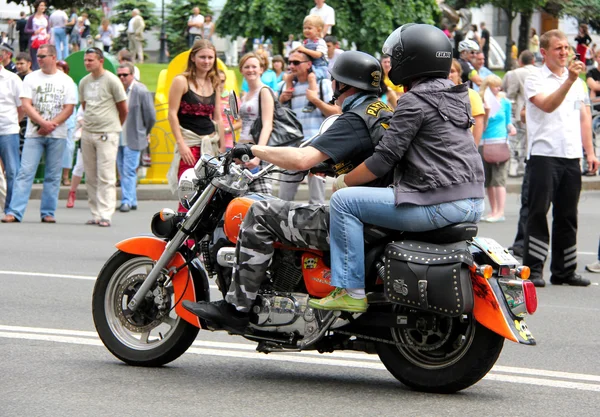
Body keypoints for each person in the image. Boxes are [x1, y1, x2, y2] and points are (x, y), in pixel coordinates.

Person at [181, 51, 394, 330]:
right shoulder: (381, 112)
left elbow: (302, 158)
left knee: (259, 213)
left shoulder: (352, 120)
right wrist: (329, 168)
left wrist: (252, 149)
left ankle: (237, 307)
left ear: (344, 84)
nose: (331, 83)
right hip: (382, 210)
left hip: (357, 220)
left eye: (334, 79)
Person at [309, 24, 484, 312]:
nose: (391, 62)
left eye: (396, 56)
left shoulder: (414, 100)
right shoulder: (456, 95)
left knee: (344, 202)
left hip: (440, 202)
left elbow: (382, 160)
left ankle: (350, 291)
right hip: (473, 201)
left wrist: (343, 180)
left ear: (412, 60)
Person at [522, 29, 599, 287]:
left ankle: (564, 271)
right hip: (544, 154)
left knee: (568, 215)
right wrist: (569, 81)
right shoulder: (535, 77)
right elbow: (547, 105)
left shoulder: (577, 82)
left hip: (570, 155)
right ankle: (533, 270)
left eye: (566, 48)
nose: (565, 52)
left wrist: (590, 152)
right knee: (537, 213)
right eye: (558, 48)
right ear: (544, 52)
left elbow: (584, 117)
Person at [1, 44, 75, 224]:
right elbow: (26, 104)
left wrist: (52, 124)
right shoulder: (31, 78)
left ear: (53, 57)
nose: (39, 59)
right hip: (34, 134)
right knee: (24, 173)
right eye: (38, 56)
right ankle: (14, 212)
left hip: (57, 134)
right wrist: (42, 123)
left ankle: (48, 212)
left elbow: (69, 108)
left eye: (43, 56)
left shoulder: (66, 81)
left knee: (53, 174)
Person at [167, 40, 225, 211]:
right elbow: (171, 114)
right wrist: (181, 144)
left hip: (209, 145)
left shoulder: (214, 82)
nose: (206, 61)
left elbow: (218, 117)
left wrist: (222, 146)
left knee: (208, 197)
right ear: (193, 57)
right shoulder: (181, 81)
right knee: (188, 194)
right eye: (202, 57)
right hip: (190, 143)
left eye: (210, 57)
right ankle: (185, 237)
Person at [278, 49, 338, 204]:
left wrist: (315, 100)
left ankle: (317, 228)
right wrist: (280, 101)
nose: (291, 65)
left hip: (316, 147)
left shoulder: (322, 84)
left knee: (317, 200)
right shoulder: (283, 87)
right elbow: (275, 116)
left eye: (296, 62)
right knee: (284, 198)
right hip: (292, 146)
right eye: (289, 62)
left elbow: (336, 113)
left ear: (309, 64)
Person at [78, 47, 128, 227]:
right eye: (85, 60)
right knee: (90, 175)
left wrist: (114, 126)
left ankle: (106, 213)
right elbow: (84, 106)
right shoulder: (84, 82)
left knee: (106, 175)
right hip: (88, 132)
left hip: (107, 133)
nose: (87, 63)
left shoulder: (112, 80)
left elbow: (123, 109)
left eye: (90, 60)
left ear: (101, 61)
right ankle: (95, 213)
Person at [116, 62, 156, 213]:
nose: (122, 78)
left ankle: (126, 200)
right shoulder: (117, 89)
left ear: (132, 75)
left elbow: (151, 116)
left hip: (133, 136)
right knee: (122, 169)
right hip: (118, 136)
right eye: (119, 75)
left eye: (125, 75)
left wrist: (145, 131)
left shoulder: (140, 90)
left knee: (129, 170)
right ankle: (132, 200)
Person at [479, 74, 516, 222]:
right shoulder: (481, 101)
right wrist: (486, 112)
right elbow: (481, 126)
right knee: (488, 180)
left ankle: (500, 212)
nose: (498, 89)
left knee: (499, 179)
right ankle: (493, 210)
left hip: (500, 142)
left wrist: (511, 128)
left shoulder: (505, 102)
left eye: (499, 86)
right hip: (484, 142)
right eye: (495, 86)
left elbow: (508, 121)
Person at [284, 15, 329, 113]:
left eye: (309, 28)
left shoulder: (320, 42)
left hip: (319, 67)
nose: (306, 30)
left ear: (318, 30)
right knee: (289, 77)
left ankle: (312, 101)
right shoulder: (306, 42)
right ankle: (287, 99)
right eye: (304, 28)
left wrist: (305, 49)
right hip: (309, 66)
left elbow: (318, 55)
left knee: (311, 77)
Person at [0, 55, 23, 216]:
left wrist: (14, 122)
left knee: (12, 171)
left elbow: (22, 107)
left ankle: (11, 210)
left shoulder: (12, 79)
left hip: (8, 130)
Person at [449, 59, 485, 146]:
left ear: (459, 74)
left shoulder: (471, 95)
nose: (449, 75)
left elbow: (478, 124)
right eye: (446, 72)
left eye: (452, 71)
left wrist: (473, 150)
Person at [56, 60, 77, 187]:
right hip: (54, 123)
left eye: (61, 69)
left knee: (69, 149)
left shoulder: (72, 85)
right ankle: (55, 176)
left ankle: (65, 176)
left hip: (69, 123)